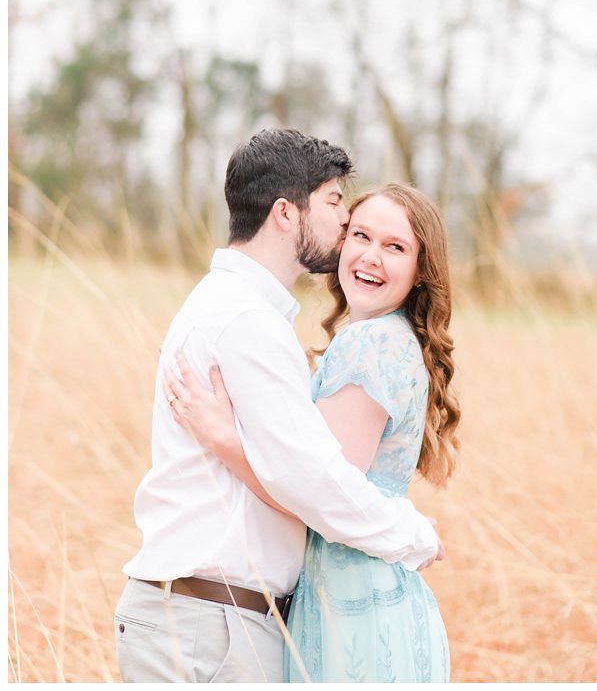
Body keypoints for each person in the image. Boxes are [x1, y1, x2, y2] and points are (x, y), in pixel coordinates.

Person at [116, 129, 444, 682]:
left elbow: (299, 476)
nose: (344, 222)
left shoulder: (235, 309)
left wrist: (228, 441)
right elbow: (312, 482)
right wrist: (413, 534)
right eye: (336, 202)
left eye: (395, 246)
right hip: (207, 622)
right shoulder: (247, 322)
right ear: (286, 214)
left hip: (213, 617)